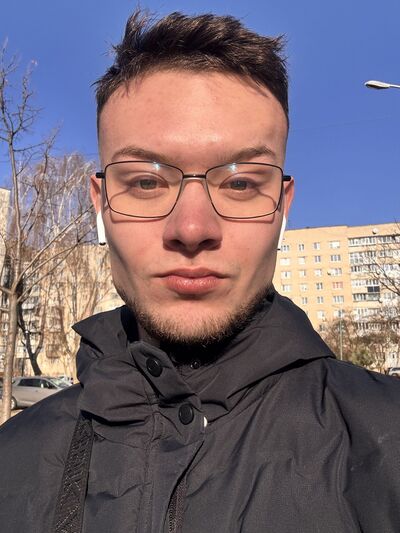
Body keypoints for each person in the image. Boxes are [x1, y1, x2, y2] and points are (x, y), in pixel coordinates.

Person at [1, 10, 400, 533]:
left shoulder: (387, 442)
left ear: (282, 208)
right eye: (146, 182)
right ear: (100, 205)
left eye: (240, 183)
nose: (192, 228)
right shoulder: (12, 462)